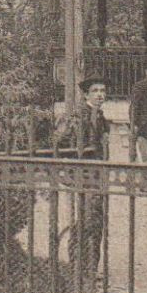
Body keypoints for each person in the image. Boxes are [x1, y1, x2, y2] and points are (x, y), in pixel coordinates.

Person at [54, 76, 109, 274]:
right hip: (82, 175)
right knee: (85, 220)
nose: (100, 94)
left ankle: (90, 267)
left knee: (95, 219)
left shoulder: (100, 115)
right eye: (95, 91)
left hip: (96, 175)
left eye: (102, 90)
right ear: (86, 94)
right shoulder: (78, 115)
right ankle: (78, 265)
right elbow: (60, 141)